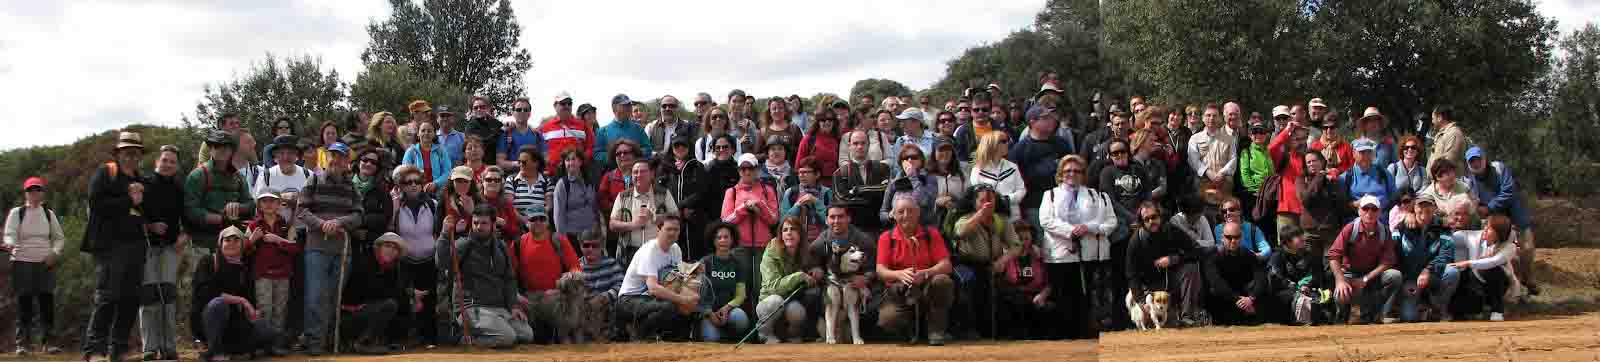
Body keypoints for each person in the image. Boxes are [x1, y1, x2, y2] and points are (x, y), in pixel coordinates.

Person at [82, 132, 156, 362]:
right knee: (107, 296)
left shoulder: (141, 180)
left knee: (131, 298)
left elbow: (145, 211)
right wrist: (129, 200)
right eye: (127, 152)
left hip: (135, 244)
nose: (131, 157)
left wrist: (146, 210)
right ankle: (95, 350)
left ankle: (118, 349)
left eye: (135, 153)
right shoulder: (106, 173)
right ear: (118, 153)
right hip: (109, 244)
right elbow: (95, 203)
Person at [294, 142, 363, 356]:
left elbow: (359, 215)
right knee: (315, 295)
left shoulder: (351, 186)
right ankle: (314, 340)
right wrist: (322, 224)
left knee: (335, 297)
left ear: (347, 162)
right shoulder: (313, 179)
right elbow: (302, 210)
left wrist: (339, 222)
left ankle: (330, 339)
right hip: (316, 247)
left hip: (342, 249)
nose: (336, 160)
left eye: (341, 157)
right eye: (333, 155)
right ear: (327, 158)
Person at [1038, 155, 1117, 338]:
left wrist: (1089, 228)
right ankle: (1064, 334)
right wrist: (1071, 231)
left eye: (1077, 171)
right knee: (1062, 294)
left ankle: (1086, 331)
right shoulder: (1050, 195)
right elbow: (1046, 221)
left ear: (1083, 174)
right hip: (1060, 253)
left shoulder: (1096, 196)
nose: (1072, 174)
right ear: (1060, 174)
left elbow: (1110, 222)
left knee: (1086, 294)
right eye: (1068, 171)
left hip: (1088, 253)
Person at [437, 206, 534, 347]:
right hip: (471, 308)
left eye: (484, 223)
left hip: (499, 308)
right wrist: (445, 234)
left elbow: (509, 279)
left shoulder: (501, 247)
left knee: (527, 335)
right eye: (475, 223)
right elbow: (442, 262)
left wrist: (513, 306)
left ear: (493, 225)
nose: (478, 227)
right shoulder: (464, 245)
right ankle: (461, 339)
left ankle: (483, 334)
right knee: (507, 337)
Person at [875, 195, 956, 346]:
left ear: (918, 212)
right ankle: (909, 331)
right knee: (888, 319)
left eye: (910, 211)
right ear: (893, 215)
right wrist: (899, 274)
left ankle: (936, 330)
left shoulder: (931, 234)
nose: (906, 215)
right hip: (899, 292)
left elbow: (946, 265)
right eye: (901, 212)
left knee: (942, 280)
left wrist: (926, 273)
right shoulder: (886, 238)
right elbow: (880, 270)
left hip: (928, 287)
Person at [191, 227, 281, 362]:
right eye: (227, 240)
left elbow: (250, 297)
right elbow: (206, 293)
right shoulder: (208, 261)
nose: (231, 243)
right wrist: (241, 301)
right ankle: (214, 350)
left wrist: (253, 313)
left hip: (233, 323)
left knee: (266, 330)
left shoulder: (244, 267)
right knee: (218, 304)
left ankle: (236, 348)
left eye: (236, 240)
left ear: (242, 244)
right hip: (207, 320)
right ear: (220, 244)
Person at [185, 131, 258, 292]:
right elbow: (191, 211)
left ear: (232, 150)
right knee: (203, 289)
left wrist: (239, 207)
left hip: (232, 244)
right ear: (210, 149)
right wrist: (221, 219)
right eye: (217, 146)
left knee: (233, 287)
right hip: (204, 242)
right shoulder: (198, 175)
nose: (222, 150)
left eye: (226, 147)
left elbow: (251, 205)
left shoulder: (238, 177)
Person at [950, 184, 1022, 338]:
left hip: (992, 265)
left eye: (991, 200)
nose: (987, 204)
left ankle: (999, 330)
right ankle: (967, 330)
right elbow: (960, 231)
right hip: (966, 264)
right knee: (969, 286)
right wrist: (980, 215)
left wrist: (1004, 260)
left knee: (1004, 292)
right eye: (982, 200)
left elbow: (1016, 246)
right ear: (974, 203)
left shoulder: (1001, 220)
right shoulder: (965, 218)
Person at [1463, 147, 1538, 295]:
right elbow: (1473, 201)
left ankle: (1528, 279)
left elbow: (1509, 191)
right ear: (1467, 163)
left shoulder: (1499, 168)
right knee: (1504, 254)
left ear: (1485, 158)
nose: (1476, 163)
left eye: (1478, 159)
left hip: (1515, 212)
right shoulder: (1468, 180)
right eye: (1472, 161)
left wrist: (1489, 207)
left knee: (1527, 247)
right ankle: (1513, 291)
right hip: (1493, 220)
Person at [4, 177, 65, 356]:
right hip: (22, 261)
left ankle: (48, 344)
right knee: (25, 304)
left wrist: (55, 253)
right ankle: (22, 344)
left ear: (43, 193)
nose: (34, 193)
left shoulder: (48, 214)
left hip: (45, 263)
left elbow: (59, 237)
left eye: (38, 189)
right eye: (31, 190)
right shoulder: (17, 212)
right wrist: (10, 244)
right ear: (26, 193)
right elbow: (10, 234)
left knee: (47, 303)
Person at [614, 215, 697, 341]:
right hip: (629, 299)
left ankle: (673, 340)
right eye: (668, 229)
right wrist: (682, 299)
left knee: (689, 305)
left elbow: (680, 280)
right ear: (658, 230)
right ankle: (639, 334)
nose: (673, 233)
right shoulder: (650, 250)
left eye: (676, 229)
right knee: (671, 306)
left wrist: (693, 288)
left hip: (650, 298)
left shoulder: (676, 249)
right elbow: (653, 288)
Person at [1126, 201, 1206, 327]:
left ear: (1160, 216)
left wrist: (1174, 259)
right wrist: (1142, 302)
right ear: (1142, 222)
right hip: (1151, 291)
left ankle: (1187, 317)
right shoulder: (1136, 240)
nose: (1152, 221)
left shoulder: (1171, 230)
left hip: (1172, 281)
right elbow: (1131, 274)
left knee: (1191, 267)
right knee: (1164, 325)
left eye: (1154, 217)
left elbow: (1197, 251)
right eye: (1147, 219)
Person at [806, 205, 879, 341]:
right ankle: (821, 333)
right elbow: (811, 263)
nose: (836, 221)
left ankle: (864, 333)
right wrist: (816, 270)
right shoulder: (820, 242)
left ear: (849, 219)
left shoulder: (864, 240)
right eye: (832, 217)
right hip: (831, 288)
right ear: (827, 220)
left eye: (840, 217)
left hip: (857, 289)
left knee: (871, 304)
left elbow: (874, 268)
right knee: (811, 295)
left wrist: (865, 278)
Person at [142, 146, 188, 360]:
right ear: (156, 162)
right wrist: (150, 226)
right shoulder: (144, 185)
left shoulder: (180, 188)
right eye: (164, 160)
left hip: (171, 248)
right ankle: (150, 348)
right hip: (148, 247)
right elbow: (134, 213)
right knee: (150, 298)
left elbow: (188, 216)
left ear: (176, 166)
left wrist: (184, 235)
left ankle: (169, 347)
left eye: (172, 161)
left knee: (168, 297)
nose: (168, 164)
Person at [1326, 195, 1402, 325]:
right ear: (1359, 211)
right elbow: (1333, 255)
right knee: (1340, 293)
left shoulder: (1384, 231)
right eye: (1365, 208)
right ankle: (1342, 316)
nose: (1369, 213)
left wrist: (1365, 279)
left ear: (1379, 212)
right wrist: (1340, 280)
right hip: (1350, 274)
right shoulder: (1350, 228)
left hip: (1371, 276)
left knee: (1395, 276)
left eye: (1374, 209)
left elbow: (1387, 261)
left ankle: (1372, 313)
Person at [510, 211, 581, 344]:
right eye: (533, 219)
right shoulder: (518, 244)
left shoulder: (559, 240)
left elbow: (575, 269)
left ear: (548, 222)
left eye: (541, 219)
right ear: (527, 223)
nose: (538, 222)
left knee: (563, 304)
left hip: (555, 296)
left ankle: (566, 340)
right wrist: (517, 297)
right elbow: (509, 277)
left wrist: (560, 289)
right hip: (528, 298)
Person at [1387, 195, 1460, 322]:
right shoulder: (1401, 228)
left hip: (1433, 277)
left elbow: (1446, 255)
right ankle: (1416, 307)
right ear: (1414, 209)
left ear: (1434, 209)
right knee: (1409, 317)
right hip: (1410, 280)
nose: (1423, 216)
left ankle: (1437, 308)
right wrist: (1404, 281)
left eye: (1428, 211)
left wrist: (1428, 270)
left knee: (1452, 272)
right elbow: (1393, 255)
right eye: (1420, 211)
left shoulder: (1443, 227)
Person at [390, 164, 441, 348]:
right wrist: (394, 208)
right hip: (404, 261)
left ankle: (429, 338)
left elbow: (439, 231)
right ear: (400, 185)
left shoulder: (433, 204)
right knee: (403, 299)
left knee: (429, 301)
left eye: (417, 182)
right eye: (408, 182)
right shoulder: (394, 203)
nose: (413, 185)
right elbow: (389, 231)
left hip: (428, 260)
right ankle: (401, 339)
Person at [335, 233, 407, 354]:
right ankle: (363, 343)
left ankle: (379, 341)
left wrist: (410, 295)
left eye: (395, 248)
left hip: (368, 312)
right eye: (388, 246)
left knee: (397, 304)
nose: (391, 250)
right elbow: (372, 292)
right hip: (349, 317)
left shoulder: (392, 269)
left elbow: (397, 296)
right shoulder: (365, 262)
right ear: (379, 247)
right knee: (389, 304)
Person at [245, 191, 298, 356]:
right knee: (264, 309)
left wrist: (278, 240)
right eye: (264, 201)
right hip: (262, 274)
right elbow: (242, 251)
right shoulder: (254, 226)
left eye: (272, 201)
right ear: (259, 205)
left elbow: (296, 248)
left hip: (283, 274)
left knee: (280, 311)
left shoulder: (286, 225)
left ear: (279, 204)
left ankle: (276, 344)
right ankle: (262, 344)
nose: (268, 204)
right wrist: (252, 239)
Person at [1010, 105, 1076, 235]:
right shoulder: (1020, 150)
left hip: (1063, 203)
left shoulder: (1061, 144)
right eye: (1046, 117)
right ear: (1032, 122)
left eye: (1052, 116)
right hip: (1035, 206)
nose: (1052, 120)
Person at [755, 216, 820, 344]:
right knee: (776, 301)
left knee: (797, 311)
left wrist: (817, 270)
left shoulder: (804, 251)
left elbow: (813, 268)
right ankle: (764, 334)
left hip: (791, 300)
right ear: (781, 234)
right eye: (785, 230)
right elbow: (773, 287)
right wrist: (799, 276)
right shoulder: (771, 253)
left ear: (800, 234)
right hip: (769, 300)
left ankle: (793, 336)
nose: (789, 233)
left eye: (793, 229)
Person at [1201, 221, 1271, 326]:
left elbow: (1261, 277)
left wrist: (1251, 298)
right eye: (1229, 237)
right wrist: (1240, 301)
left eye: (1236, 237)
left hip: (1245, 300)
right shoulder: (1212, 255)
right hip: (1224, 300)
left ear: (1241, 237)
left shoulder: (1247, 253)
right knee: (1214, 291)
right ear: (1222, 238)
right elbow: (1216, 283)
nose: (1233, 241)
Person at [1449, 214, 1516, 321]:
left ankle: (1497, 310)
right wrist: (1448, 225)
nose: (1485, 229)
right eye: (1485, 226)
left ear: (1499, 233)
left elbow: (1494, 261)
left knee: (1493, 270)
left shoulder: (1510, 247)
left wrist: (1468, 263)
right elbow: (1456, 236)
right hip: (1476, 281)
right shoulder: (1475, 237)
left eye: (1489, 228)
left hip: (1498, 283)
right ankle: (1476, 308)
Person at [611, 160, 680, 261]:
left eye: (643, 171)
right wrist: (633, 224)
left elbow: (676, 217)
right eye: (635, 172)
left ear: (652, 174)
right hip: (630, 252)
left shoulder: (663, 193)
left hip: (659, 250)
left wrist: (654, 217)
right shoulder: (623, 196)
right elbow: (612, 224)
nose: (638, 175)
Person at [692, 223, 750, 342]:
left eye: (726, 237)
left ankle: (728, 334)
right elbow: (696, 294)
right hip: (708, 313)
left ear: (732, 239)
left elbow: (741, 295)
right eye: (719, 237)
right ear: (713, 241)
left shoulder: (738, 264)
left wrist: (727, 308)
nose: (722, 240)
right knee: (712, 339)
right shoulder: (705, 262)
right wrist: (709, 314)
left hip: (729, 310)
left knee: (741, 319)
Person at [658, 138, 710, 259]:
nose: (680, 148)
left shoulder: (697, 166)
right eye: (676, 146)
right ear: (672, 148)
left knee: (692, 256)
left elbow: (702, 191)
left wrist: (682, 206)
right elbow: (660, 192)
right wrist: (677, 211)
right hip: (671, 218)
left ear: (689, 147)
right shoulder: (665, 168)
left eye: (683, 145)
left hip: (693, 220)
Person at [1267, 225, 1329, 326]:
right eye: (1297, 236)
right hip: (1285, 294)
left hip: (1306, 291)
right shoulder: (1277, 256)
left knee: (1321, 294)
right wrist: (1295, 288)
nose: (1302, 238)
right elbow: (1275, 279)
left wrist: (1307, 286)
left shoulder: (1308, 255)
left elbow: (1316, 275)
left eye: (1301, 235)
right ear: (1287, 241)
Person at [834, 130, 893, 233]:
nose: (860, 147)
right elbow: (843, 201)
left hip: (880, 227)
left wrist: (857, 190)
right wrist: (873, 196)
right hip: (853, 229)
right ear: (849, 146)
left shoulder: (883, 168)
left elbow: (886, 191)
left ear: (868, 145)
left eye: (863, 143)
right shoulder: (840, 173)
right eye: (855, 143)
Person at [723, 153, 780, 251]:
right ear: (738, 171)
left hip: (764, 245)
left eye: (751, 168)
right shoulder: (731, 192)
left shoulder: (768, 190)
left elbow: (774, 220)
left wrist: (760, 205)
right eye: (743, 169)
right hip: (739, 245)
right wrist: (744, 208)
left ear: (757, 169)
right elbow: (726, 221)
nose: (747, 172)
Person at [1299, 151, 1351, 259]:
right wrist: (1319, 176)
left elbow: (1341, 203)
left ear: (1322, 162)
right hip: (1311, 232)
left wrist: (1331, 182)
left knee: (1330, 266)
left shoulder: (1332, 180)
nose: (1311, 164)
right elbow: (1306, 199)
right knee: (1314, 267)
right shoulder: (1301, 180)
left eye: (1314, 161)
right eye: (1308, 162)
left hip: (1330, 230)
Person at [1187, 103, 1239, 208]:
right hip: (1202, 183)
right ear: (1202, 118)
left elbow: (1233, 159)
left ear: (1220, 118)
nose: (1211, 118)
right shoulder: (1195, 138)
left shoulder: (1229, 139)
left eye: (1215, 116)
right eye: (1208, 115)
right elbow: (1193, 160)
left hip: (1223, 183)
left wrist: (1221, 173)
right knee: (1203, 214)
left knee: (1224, 213)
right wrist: (1208, 172)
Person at [970, 132, 1024, 223]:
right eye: (1003, 141)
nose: (1008, 143)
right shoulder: (978, 170)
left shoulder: (1012, 166)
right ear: (991, 144)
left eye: (1007, 141)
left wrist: (1008, 199)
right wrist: (996, 201)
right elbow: (978, 196)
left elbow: (1022, 190)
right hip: (990, 219)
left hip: (1013, 217)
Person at [880, 144, 939, 226]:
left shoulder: (929, 178)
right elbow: (882, 213)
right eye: (905, 158)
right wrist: (890, 216)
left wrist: (912, 177)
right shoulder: (895, 181)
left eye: (914, 157)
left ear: (921, 160)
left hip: (923, 228)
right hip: (898, 229)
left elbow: (925, 202)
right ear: (901, 161)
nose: (910, 160)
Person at [539, 93, 595, 176]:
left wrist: (582, 161)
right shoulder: (545, 127)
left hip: (577, 174)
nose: (567, 106)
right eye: (563, 103)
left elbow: (590, 147)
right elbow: (538, 149)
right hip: (552, 175)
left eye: (569, 103)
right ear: (555, 106)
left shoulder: (582, 126)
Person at [1341, 138, 1396, 217]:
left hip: (1382, 222)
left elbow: (1394, 197)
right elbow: (1341, 206)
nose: (1366, 156)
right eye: (1362, 152)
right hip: (1358, 223)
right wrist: (1355, 204)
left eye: (1369, 152)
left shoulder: (1383, 173)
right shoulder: (1346, 178)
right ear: (1353, 154)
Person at [551, 150, 601, 235]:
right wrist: (562, 238)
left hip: (590, 235)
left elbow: (594, 209)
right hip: (571, 235)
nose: (570, 163)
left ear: (580, 162)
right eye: (567, 160)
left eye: (573, 159)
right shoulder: (562, 184)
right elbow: (558, 215)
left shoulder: (589, 182)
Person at [595, 94, 651, 170]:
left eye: (629, 105)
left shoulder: (638, 128)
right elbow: (597, 155)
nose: (629, 107)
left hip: (636, 174)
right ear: (614, 108)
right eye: (625, 105)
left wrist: (635, 153)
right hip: (613, 176)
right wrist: (616, 156)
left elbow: (648, 149)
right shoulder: (603, 131)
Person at [782, 157, 834, 239]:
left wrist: (816, 202)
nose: (801, 175)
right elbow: (783, 221)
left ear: (817, 174)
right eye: (799, 172)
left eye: (805, 172)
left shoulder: (827, 193)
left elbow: (832, 222)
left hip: (821, 241)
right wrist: (798, 205)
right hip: (797, 241)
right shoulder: (791, 192)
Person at [354, 148, 396, 244]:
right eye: (365, 160)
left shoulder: (382, 188)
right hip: (347, 240)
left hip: (372, 241)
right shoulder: (347, 184)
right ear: (358, 162)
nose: (368, 164)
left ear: (377, 167)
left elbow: (386, 217)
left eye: (373, 162)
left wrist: (362, 222)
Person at [1213, 197, 1272, 262]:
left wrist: (1256, 256)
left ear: (1240, 211)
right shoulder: (1219, 228)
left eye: (1231, 210)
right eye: (1224, 211)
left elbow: (1267, 249)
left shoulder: (1252, 228)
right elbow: (1222, 249)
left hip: (1248, 263)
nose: (1228, 213)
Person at [404, 119, 453, 194]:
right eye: (423, 130)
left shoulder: (441, 151)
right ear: (418, 133)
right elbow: (405, 172)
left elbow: (447, 172)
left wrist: (436, 183)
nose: (426, 133)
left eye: (429, 131)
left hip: (438, 191)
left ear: (434, 134)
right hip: (416, 191)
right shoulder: (411, 152)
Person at [795, 107, 842, 184]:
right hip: (813, 186)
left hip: (833, 186)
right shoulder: (808, 139)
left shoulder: (838, 140)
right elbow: (798, 166)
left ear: (834, 121)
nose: (827, 122)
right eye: (823, 119)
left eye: (830, 119)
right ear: (818, 122)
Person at [504, 145, 551, 221]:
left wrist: (535, 220)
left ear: (536, 163)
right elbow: (509, 206)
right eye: (519, 162)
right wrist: (523, 219)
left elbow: (549, 206)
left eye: (524, 162)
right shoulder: (511, 180)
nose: (520, 164)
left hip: (539, 223)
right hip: (518, 226)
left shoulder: (546, 181)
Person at [647, 96, 699, 164]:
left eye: (671, 106)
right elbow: (645, 150)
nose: (667, 108)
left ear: (677, 108)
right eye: (664, 106)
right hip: (657, 167)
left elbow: (694, 151)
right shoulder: (651, 127)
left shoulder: (688, 126)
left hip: (680, 168)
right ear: (660, 108)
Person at [498, 97, 546, 171]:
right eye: (519, 110)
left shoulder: (537, 135)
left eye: (525, 110)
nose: (522, 112)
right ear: (513, 113)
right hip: (513, 178)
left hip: (534, 178)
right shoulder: (505, 134)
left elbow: (544, 159)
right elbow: (500, 162)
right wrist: (518, 164)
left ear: (529, 113)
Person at [929, 138, 968, 223]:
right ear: (934, 153)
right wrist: (937, 202)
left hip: (957, 218)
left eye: (948, 150)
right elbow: (922, 202)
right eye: (941, 150)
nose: (945, 153)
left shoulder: (961, 174)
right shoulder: (926, 175)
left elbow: (968, 197)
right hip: (933, 221)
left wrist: (954, 201)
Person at [890, 108, 935, 176]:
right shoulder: (901, 141)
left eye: (904, 121)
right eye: (901, 122)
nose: (901, 125)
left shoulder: (934, 139)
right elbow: (897, 167)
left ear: (916, 122)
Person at [463, 96, 506, 166]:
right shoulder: (470, 126)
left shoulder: (493, 123)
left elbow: (503, 128)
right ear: (472, 111)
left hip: (495, 165)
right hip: (478, 165)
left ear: (487, 108)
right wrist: (497, 133)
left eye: (482, 107)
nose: (479, 109)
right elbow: (482, 143)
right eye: (476, 108)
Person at [758, 98, 803, 164]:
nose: (777, 111)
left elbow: (801, 151)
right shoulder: (763, 131)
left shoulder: (794, 128)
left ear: (785, 111)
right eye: (774, 108)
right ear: (770, 112)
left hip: (790, 171)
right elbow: (757, 154)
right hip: (768, 172)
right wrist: (771, 154)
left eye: (780, 108)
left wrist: (786, 151)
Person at [1427, 106, 1469, 175]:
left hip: (1449, 182)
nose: (1432, 121)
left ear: (1440, 118)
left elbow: (1449, 161)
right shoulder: (1442, 134)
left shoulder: (1453, 133)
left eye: (1433, 118)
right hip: (1440, 182)